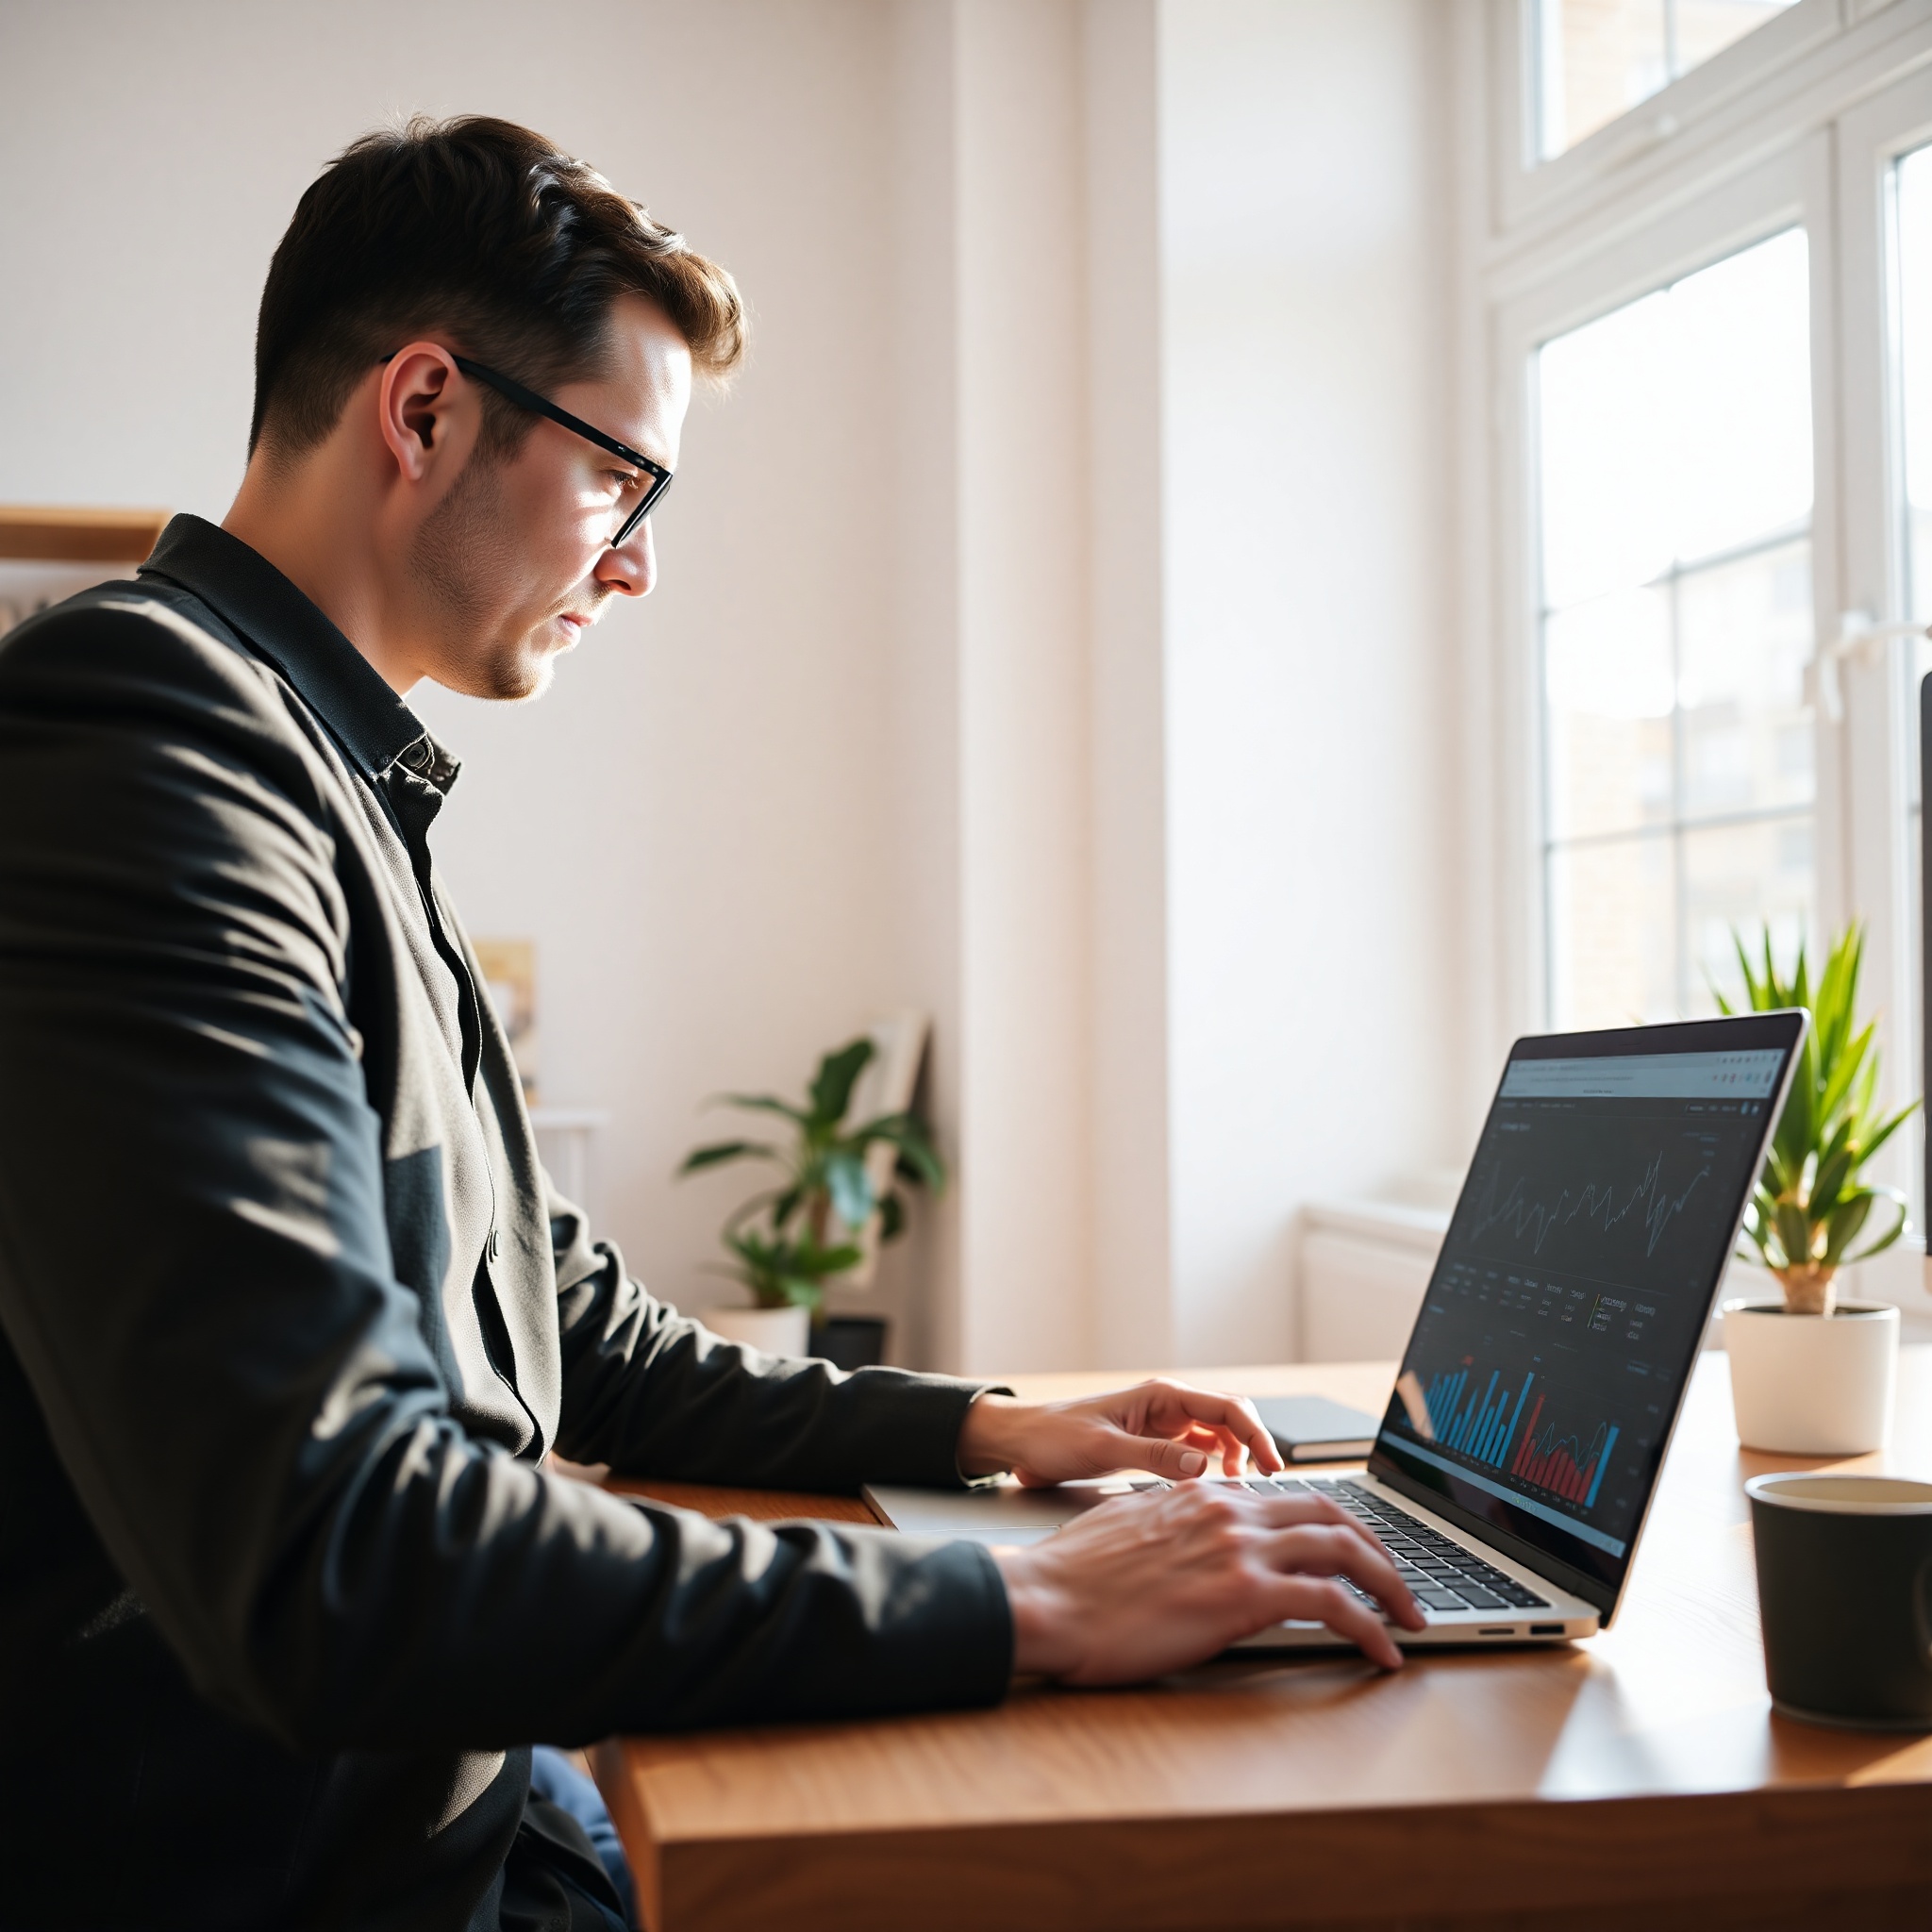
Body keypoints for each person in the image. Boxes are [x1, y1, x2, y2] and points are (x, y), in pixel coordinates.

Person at [0, 116, 1420, 1931]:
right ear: (423, 413)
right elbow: (326, 1545)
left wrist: (997, 1436)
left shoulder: (322, 774)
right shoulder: (147, 747)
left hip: (469, 1801)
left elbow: (565, 1327)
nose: (639, 567)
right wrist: (1032, 1603)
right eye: (624, 484)